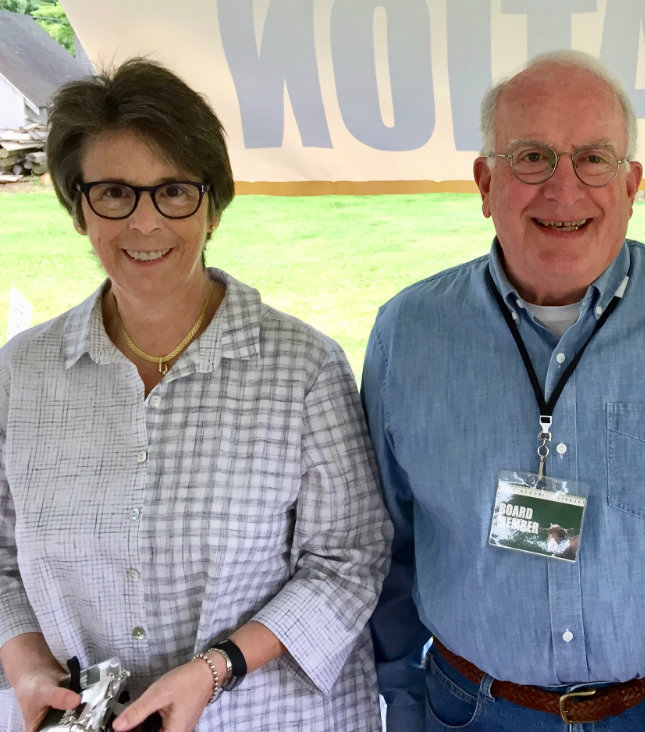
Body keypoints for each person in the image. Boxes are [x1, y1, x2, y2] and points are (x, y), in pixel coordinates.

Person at [363, 50, 645, 732]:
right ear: (484, 182)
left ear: (629, 184)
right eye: (531, 157)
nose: (564, 190)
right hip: (471, 713)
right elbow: (384, 546)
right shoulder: (407, 334)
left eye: (593, 159)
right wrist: (406, 704)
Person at [0, 59, 391, 732]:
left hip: (264, 716)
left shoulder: (302, 370)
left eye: (174, 191)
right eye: (114, 193)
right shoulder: (21, 373)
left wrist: (215, 669)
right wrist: (27, 662)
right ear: (77, 209)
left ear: (212, 206)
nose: (146, 223)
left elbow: (350, 560)